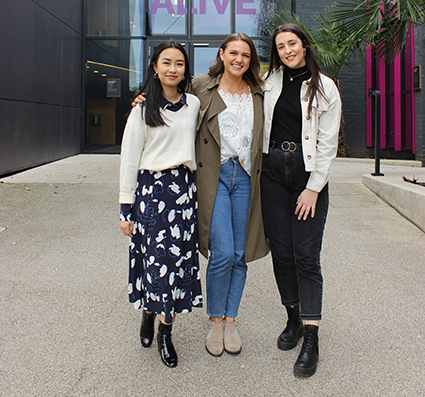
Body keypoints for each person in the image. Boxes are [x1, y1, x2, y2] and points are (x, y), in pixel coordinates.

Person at [133, 33, 269, 357]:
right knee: (221, 252)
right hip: (215, 176)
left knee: (239, 253)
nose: (238, 59)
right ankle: (214, 321)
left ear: (251, 61)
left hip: (247, 176)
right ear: (221, 54)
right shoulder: (200, 85)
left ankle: (230, 320)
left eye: (245, 55)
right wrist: (143, 99)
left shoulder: (260, 91)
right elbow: (169, 97)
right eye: (233, 53)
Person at [261, 23, 341, 377]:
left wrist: (314, 187)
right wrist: (151, 93)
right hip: (274, 172)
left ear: (304, 45)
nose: (287, 50)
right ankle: (292, 318)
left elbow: (327, 143)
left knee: (306, 256)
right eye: (280, 46)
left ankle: (311, 336)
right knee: (282, 253)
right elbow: (225, 88)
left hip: (307, 176)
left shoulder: (325, 88)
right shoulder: (269, 81)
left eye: (291, 43)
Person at [119, 40, 202, 368]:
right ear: (154, 67)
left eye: (179, 63)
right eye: (166, 62)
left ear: (185, 69)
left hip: (183, 192)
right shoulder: (141, 110)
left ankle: (166, 332)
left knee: (177, 262)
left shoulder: (194, 104)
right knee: (155, 263)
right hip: (151, 193)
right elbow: (129, 159)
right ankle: (148, 313)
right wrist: (126, 208)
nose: (172, 69)